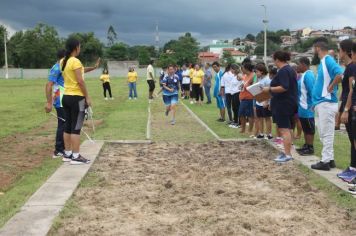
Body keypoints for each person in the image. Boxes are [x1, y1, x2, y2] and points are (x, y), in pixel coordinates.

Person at [61, 37, 100, 165]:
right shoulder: (75, 61)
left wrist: (93, 67)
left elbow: (80, 71)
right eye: (80, 46)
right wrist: (87, 97)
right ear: (76, 47)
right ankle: (76, 156)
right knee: (76, 128)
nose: (80, 48)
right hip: (77, 98)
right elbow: (80, 81)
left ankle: (67, 154)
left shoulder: (63, 61)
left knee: (68, 126)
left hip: (66, 97)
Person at [311, 38, 343, 170]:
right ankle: (329, 159)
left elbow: (340, 74)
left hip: (326, 102)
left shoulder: (328, 59)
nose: (313, 51)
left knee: (327, 133)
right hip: (320, 102)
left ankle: (325, 161)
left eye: (314, 48)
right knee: (323, 132)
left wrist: (331, 87)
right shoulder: (323, 62)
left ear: (317, 48)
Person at [262, 51, 298, 163]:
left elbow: (284, 87)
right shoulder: (290, 70)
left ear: (277, 59)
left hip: (284, 104)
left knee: (284, 129)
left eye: (274, 59)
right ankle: (287, 152)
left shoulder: (284, 71)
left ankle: (287, 154)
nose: (274, 62)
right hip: (288, 103)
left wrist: (269, 89)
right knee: (287, 128)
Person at [337, 40, 356, 181]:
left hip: (350, 107)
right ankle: (352, 168)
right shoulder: (348, 67)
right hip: (346, 105)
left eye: (339, 50)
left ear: (345, 51)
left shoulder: (352, 68)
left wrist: (346, 109)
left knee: (353, 139)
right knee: (352, 139)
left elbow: (351, 90)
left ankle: (353, 170)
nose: (339, 53)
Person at [45, 49, 66, 158]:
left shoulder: (64, 67)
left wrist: (93, 68)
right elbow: (49, 85)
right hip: (60, 99)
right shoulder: (57, 68)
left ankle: (63, 147)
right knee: (62, 123)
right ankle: (58, 150)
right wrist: (49, 102)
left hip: (66, 99)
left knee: (65, 123)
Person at [295, 57, 316, 156]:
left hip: (308, 107)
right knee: (305, 128)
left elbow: (312, 91)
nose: (297, 66)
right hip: (302, 107)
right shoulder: (303, 75)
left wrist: (313, 105)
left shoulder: (309, 75)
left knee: (309, 129)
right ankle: (306, 145)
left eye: (298, 64)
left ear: (303, 64)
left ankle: (310, 147)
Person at [254, 63, 273, 139]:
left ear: (261, 71)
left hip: (265, 102)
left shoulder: (268, 79)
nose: (256, 73)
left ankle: (269, 134)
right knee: (260, 118)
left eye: (257, 72)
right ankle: (261, 133)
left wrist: (267, 101)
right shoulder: (259, 78)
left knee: (267, 118)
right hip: (258, 101)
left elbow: (269, 91)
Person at [220, 64, 242, 128]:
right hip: (232, 93)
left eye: (232, 69)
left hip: (237, 93)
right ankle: (235, 121)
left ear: (234, 69)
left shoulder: (238, 75)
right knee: (234, 108)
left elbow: (243, 80)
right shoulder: (233, 75)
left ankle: (238, 122)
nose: (231, 71)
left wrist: (241, 86)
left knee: (237, 108)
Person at [239, 63, 255, 135]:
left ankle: (250, 129)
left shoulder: (253, 75)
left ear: (247, 68)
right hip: (243, 97)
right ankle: (243, 128)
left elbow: (253, 86)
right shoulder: (245, 76)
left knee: (250, 114)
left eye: (243, 68)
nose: (242, 69)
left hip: (249, 98)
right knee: (241, 113)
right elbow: (242, 84)